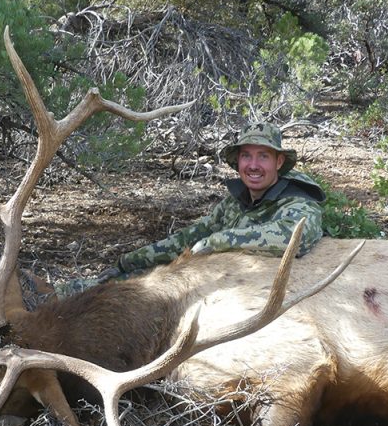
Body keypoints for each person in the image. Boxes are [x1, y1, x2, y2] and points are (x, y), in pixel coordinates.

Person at [55, 121, 325, 297]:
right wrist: (129, 261)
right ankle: (66, 293)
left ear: (279, 162)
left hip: (251, 297)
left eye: (263, 156)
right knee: (104, 288)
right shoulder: (234, 204)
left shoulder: (299, 203)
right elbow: (190, 237)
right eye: (246, 155)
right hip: (217, 284)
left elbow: (295, 238)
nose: (253, 165)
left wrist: (218, 242)